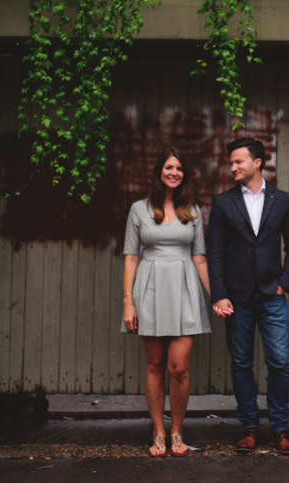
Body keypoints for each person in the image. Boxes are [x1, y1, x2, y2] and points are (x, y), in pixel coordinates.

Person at [208, 137, 289, 455]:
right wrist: (219, 295)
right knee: (241, 363)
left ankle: (280, 430)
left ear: (257, 162)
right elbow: (216, 252)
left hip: (272, 295)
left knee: (279, 362)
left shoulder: (282, 200)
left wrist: (283, 284)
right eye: (231, 162)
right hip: (237, 298)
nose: (232, 167)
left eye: (238, 161)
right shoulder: (222, 203)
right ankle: (249, 428)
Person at [121, 148, 211, 458]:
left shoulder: (193, 211)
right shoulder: (139, 210)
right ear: (159, 171)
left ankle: (177, 431)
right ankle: (158, 432)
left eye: (179, 168)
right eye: (168, 167)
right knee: (155, 364)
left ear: (184, 174)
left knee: (179, 367)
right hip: (150, 291)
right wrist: (127, 302)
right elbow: (131, 256)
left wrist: (216, 296)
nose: (174, 172)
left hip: (185, 292)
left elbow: (199, 258)